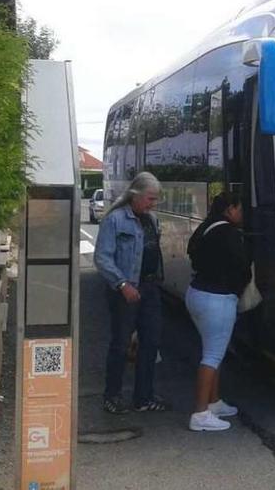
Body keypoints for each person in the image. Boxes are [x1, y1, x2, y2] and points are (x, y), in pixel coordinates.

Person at [93, 172, 170, 414]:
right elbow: (102, 258)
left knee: (151, 343)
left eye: (155, 199)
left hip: (149, 288)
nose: (153, 204)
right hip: (125, 290)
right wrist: (123, 284)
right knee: (121, 344)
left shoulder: (152, 220)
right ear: (135, 195)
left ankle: (143, 397)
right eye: (150, 198)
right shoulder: (115, 220)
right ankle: (112, 396)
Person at [184, 192, 251, 431]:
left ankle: (213, 402)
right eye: (240, 208)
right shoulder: (230, 234)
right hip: (218, 299)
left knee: (214, 350)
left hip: (196, 293)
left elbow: (192, 254)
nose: (242, 213)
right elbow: (242, 267)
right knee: (212, 356)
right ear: (230, 209)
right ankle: (200, 413)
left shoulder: (206, 226)